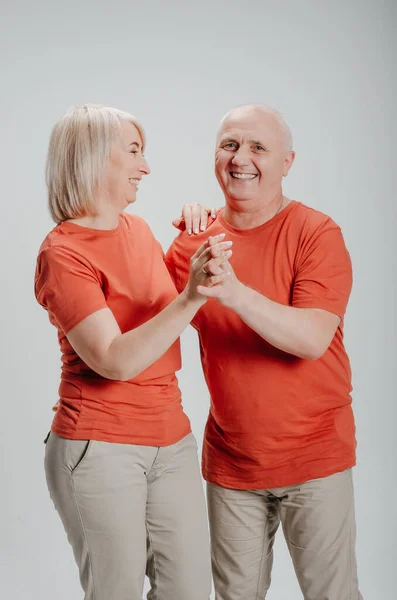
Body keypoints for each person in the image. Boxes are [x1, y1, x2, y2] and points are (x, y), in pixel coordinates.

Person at [34, 104, 232, 600]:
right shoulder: (62, 253)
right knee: (115, 591)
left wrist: (195, 237)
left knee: (187, 591)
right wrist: (190, 294)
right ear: (95, 157)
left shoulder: (139, 231)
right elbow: (114, 358)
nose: (146, 167)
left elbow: (167, 314)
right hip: (98, 446)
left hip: (170, 437)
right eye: (135, 152)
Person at [166, 104, 362, 600]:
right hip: (233, 464)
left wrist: (232, 291)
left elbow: (312, 339)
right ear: (215, 156)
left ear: (288, 162)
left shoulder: (317, 233)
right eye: (230, 145)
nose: (241, 159)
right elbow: (151, 334)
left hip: (315, 458)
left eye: (258, 147)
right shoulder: (192, 245)